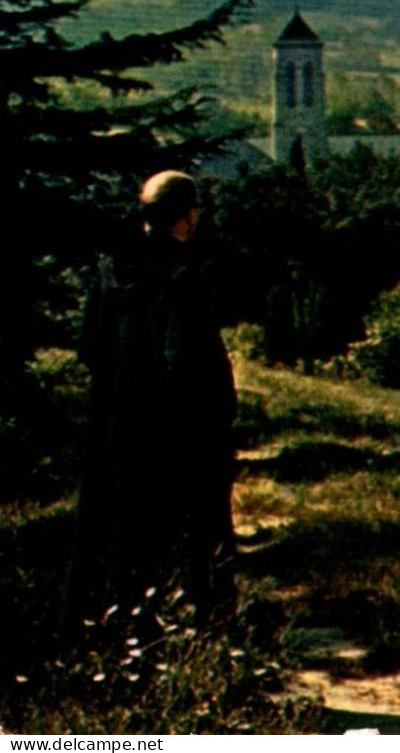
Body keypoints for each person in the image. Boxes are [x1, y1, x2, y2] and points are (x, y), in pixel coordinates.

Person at [64, 171, 238, 628]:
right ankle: (198, 625)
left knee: (118, 532)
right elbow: (195, 361)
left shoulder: (109, 270)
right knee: (190, 534)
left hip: (116, 423)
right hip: (178, 429)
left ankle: (110, 630)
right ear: (187, 216)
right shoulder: (185, 277)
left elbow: (89, 349)